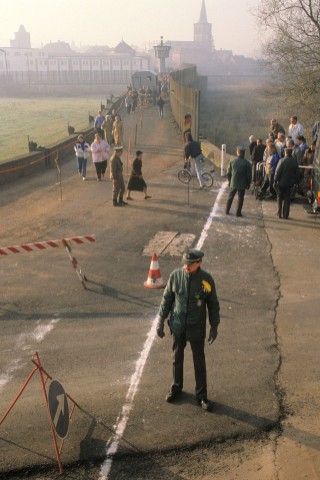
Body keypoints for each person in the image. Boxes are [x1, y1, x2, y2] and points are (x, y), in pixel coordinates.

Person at [156, 248, 220, 411]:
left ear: (198, 264)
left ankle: (201, 396)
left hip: (196, 328)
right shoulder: (176, 276)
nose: (186, 266)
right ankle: (176, 387)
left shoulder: (206, 281)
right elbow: (167, 298)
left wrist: (214, 326)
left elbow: (213, 304)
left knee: (199, 362)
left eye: (190, 264)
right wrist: (161, 320)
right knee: (176, 358)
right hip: (178, 325)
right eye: (185, 263)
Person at [225, 146, 252, 217]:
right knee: (240, 198)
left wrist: (229, 181)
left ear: (237, 152)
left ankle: (227, 210)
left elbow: (228, 173)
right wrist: (248, 183)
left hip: (233, 181)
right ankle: (238, 212)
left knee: (230, 196)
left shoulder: (232, 161)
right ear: (244, 153)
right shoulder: (247, 163)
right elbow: (249, 175)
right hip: (242, 183)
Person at [274, 148, 299, 219]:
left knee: (279, 196)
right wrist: (296, 182)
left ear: (285, 153)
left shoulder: (282, 160)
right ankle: (285, 214)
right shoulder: (294, 161)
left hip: (281, 183)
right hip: (289, 183)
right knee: (287, 199)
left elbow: (277, 172)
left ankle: (279, 212)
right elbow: (297, 173)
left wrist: (275, 180)